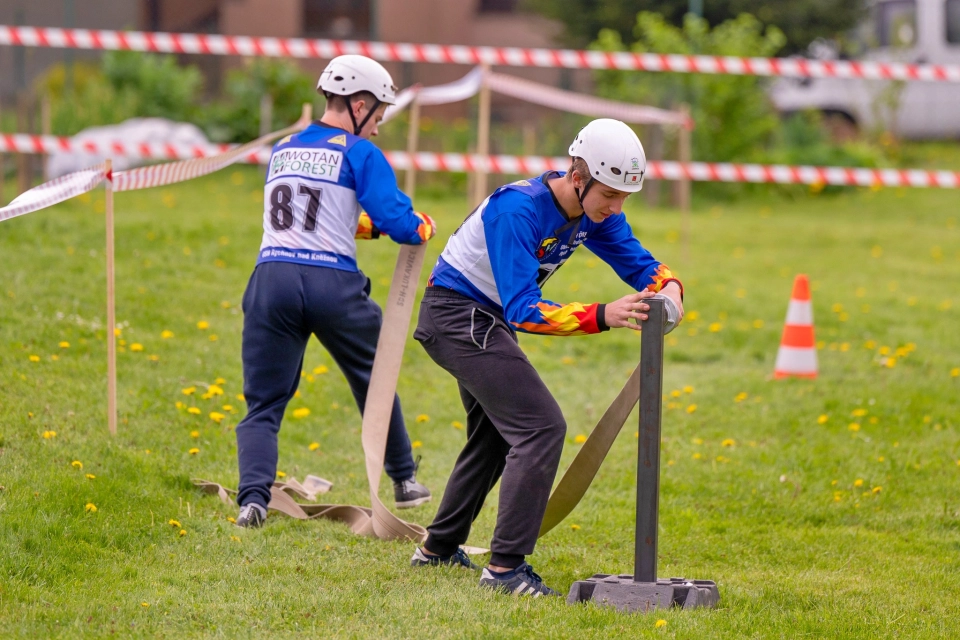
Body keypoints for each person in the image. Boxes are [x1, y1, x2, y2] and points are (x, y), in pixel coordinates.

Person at [408, 119, 684, 596]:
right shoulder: (518, 210)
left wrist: (672, 288)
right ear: (579, 177)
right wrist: (603, 314)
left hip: (482, 317)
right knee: (540, 427)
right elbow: (523, 310)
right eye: (611, 195)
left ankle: (436, 549)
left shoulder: (591, 212)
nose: (617, 208)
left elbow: (642, 265)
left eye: (625, 197)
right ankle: (505, 570)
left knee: (497, 435)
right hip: (456, 315)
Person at [234, 55, 437, 528]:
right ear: (360, 104)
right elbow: (399, 223)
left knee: (263, 401)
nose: (379, 129)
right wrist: (420, 225)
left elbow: (323, 213)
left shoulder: (282, 149)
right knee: (374, 377)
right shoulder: (360, 153)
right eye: (379, 116)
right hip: (332, 283)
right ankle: (405, 482)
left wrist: (366, 228)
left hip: (272, 279)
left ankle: (253, 501)